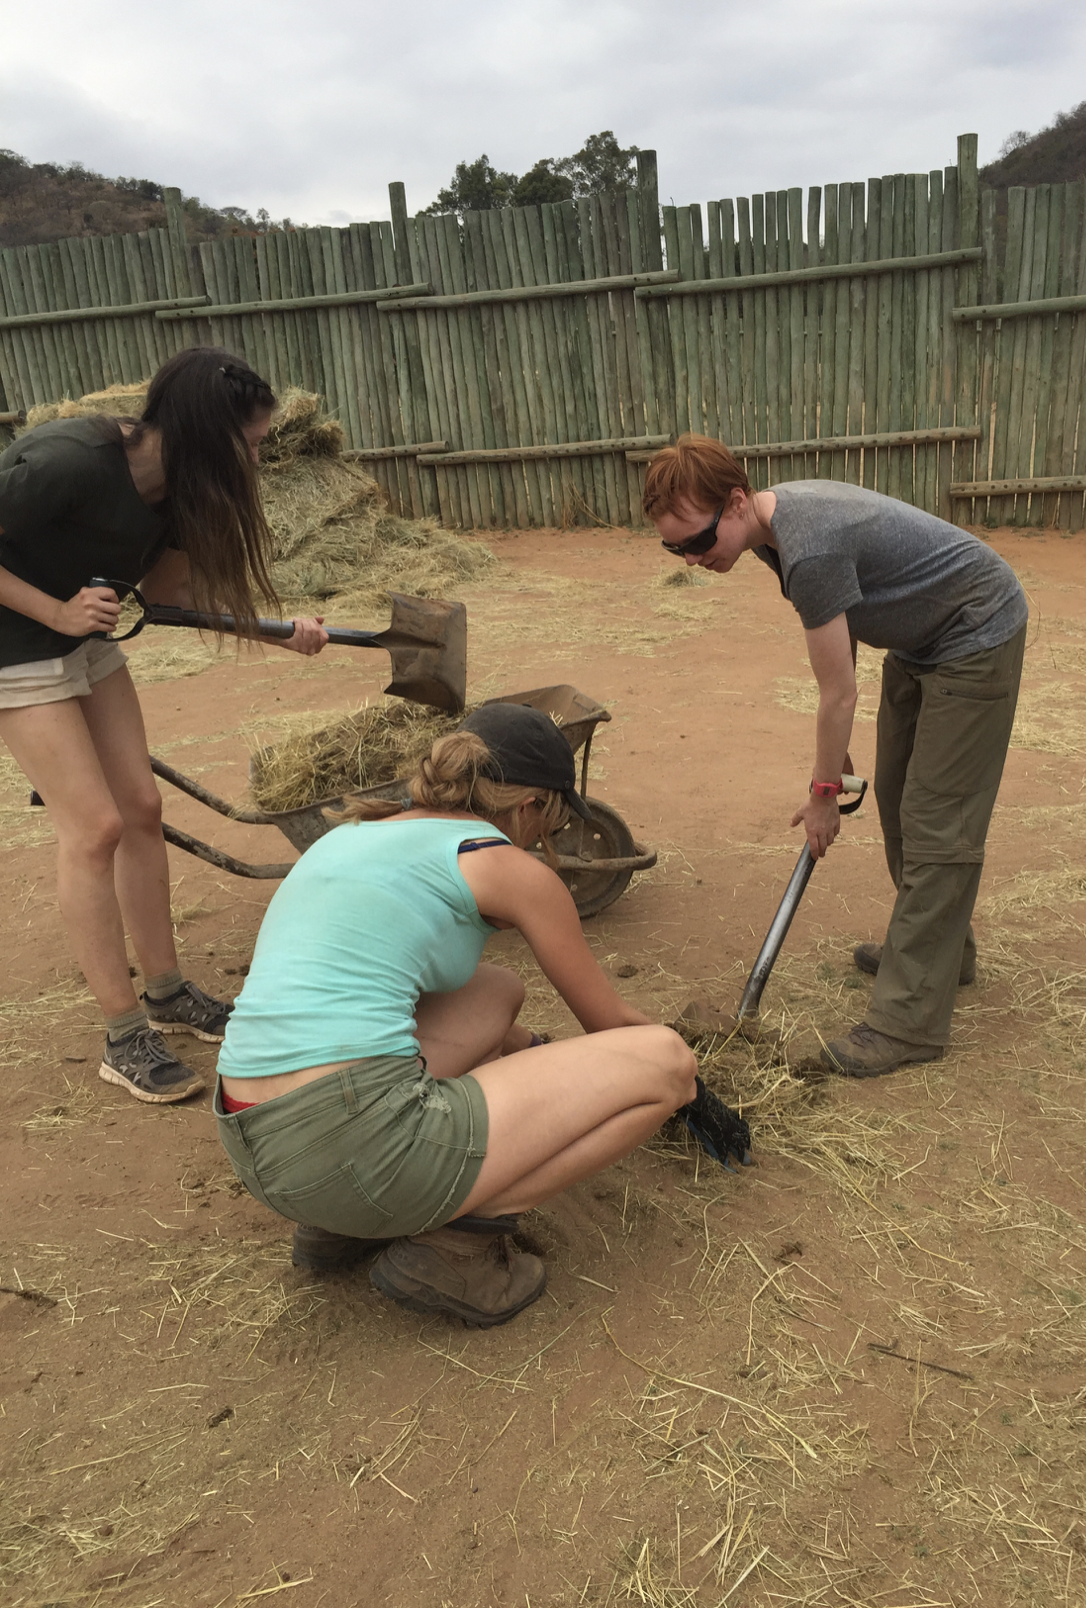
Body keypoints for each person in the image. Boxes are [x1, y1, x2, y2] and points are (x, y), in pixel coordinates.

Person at [214, 703, 697, 1328]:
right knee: (666, 1064)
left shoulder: (351, 835)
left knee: (495, 991)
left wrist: (532, 1050)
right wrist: (694, 1078)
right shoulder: (510, 869)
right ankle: (457, 1245)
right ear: (530, 807)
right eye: (549, 819)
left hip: (258, 1142)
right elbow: (614, 1028)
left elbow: (445, 1007)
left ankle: (343, 1227)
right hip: (353, 1142)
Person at [0, 348, 329, 1106]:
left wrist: (277, 631)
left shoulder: (183, 491)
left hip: (85, 637)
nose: (258, 455)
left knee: (142, 810)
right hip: (16, 642)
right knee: (93, 829)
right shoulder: (71, 461)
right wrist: (54, 611)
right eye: (250, 442)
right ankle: (123, 1036)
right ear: (205, 431)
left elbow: (167, 596)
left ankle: (169, 992)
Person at [644, 435, 1027, 1078]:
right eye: (672, 546)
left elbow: (837, 693)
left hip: (973, 633)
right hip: (919, 639)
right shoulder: (770, 533)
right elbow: (840, 633)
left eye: (697, 540)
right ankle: (940, 956)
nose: (689, 558)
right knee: (903, 805)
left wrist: (823, 798)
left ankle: (907, 1023)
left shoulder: (809, 544)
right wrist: (837, 754)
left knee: (940, 820)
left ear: (736, 503)